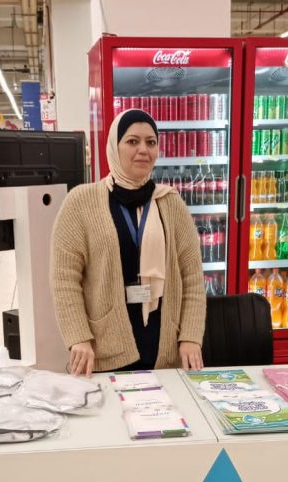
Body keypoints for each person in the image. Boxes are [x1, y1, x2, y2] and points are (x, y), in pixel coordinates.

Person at [51, 108, 205, 375]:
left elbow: (192, 276)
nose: (143, 150)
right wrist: (78, 337)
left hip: (164, 351)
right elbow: (65, 279)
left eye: (151, 142)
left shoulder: (171, 202)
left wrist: (191, 336)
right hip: (103, 350)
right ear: (115, 146)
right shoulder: (81, 202)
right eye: (132, 141)